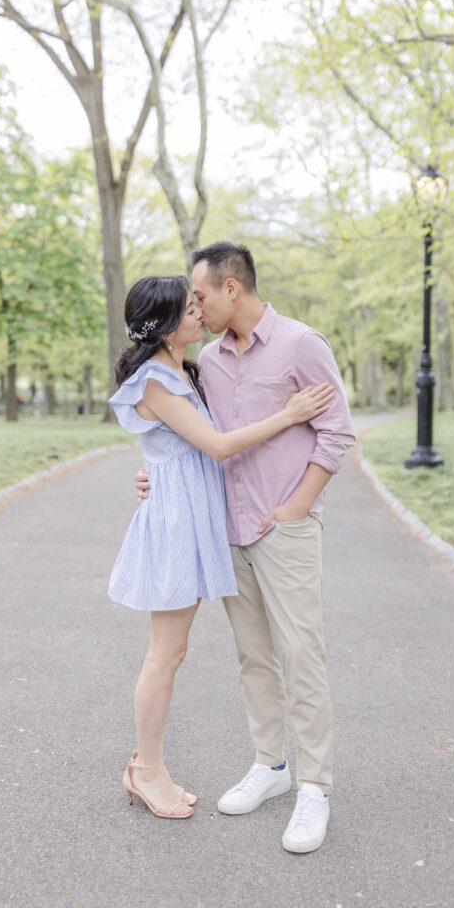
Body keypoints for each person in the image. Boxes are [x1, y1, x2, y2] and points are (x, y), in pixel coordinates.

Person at [137, 242, 355, 852]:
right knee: (253, 656)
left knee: (300, 654)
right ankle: (271, 765)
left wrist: (294, 509)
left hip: (283, 531)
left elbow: (337, 434)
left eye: (200, 296)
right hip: (228, 534)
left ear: (232, 288)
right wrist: (155, 474)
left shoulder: (301, 344)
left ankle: (315, 787)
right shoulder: (207, 360)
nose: (195, 308)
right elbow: (198, 441)